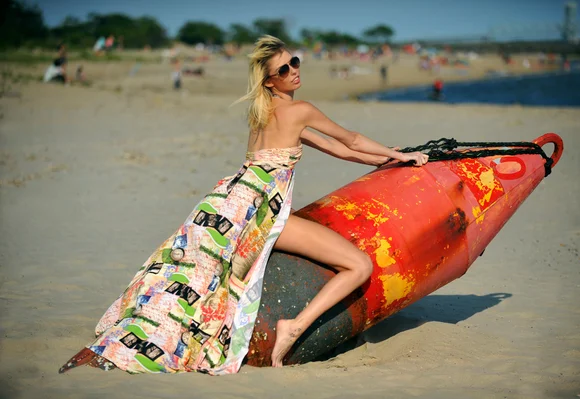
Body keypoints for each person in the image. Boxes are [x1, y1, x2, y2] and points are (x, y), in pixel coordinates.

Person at [58, 35, 428, 376]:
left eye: (294, 61)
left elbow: (339, 149)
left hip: (224, 203)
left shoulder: (262, 114)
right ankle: (293, 327)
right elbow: (351, 138)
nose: (294, 71)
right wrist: (403, 155)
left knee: (193, 281)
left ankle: (118, 343)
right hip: (259, 210)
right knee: (359, 265)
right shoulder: (298, 110)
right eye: (283, 69)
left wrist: (392, 157)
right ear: (270, 81)